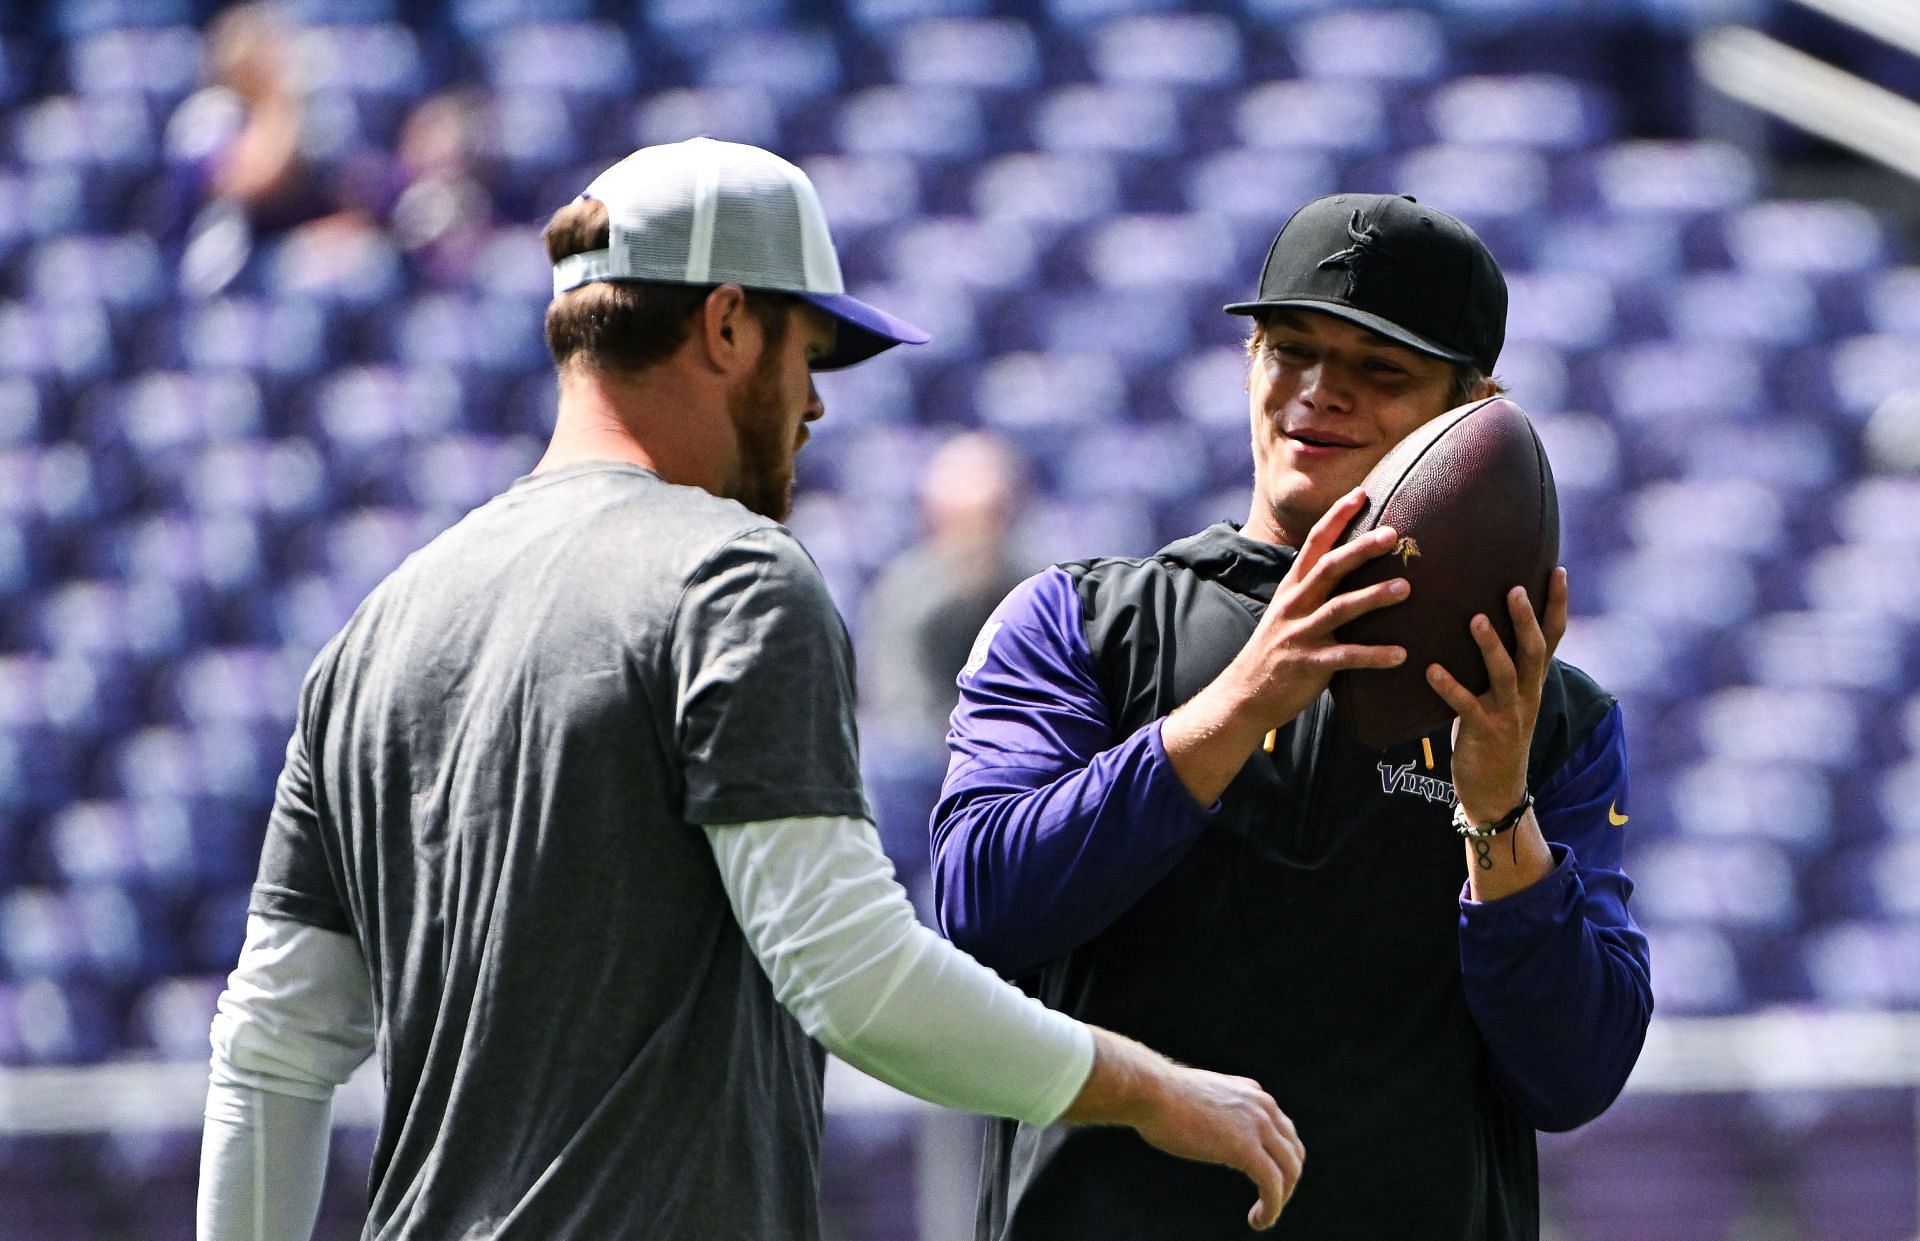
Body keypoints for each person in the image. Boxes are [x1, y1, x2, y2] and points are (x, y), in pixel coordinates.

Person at [195, 138, 1306, 1241]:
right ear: (727, 323)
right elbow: (852, 972)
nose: (815, 406)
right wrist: (1156, 1088)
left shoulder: (377, 629)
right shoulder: (732, 575)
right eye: (807, 352)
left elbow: (271, 1046)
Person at [932, 193, 1653, 1240]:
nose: (1320, 394)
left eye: (1381, 370)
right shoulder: (1084, 620)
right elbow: (977, 907)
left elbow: (1575, 1071)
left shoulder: (1543, 706)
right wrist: (1241, 699)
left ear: (1473, 411)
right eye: (1291, 349)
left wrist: (1497, 812)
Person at [861, 431, 1030, 907]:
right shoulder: (906, 592)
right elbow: (902, 713)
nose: (977, 534)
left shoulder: (1039, 588)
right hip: (933, 783)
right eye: (963, 519)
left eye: (992, 516)